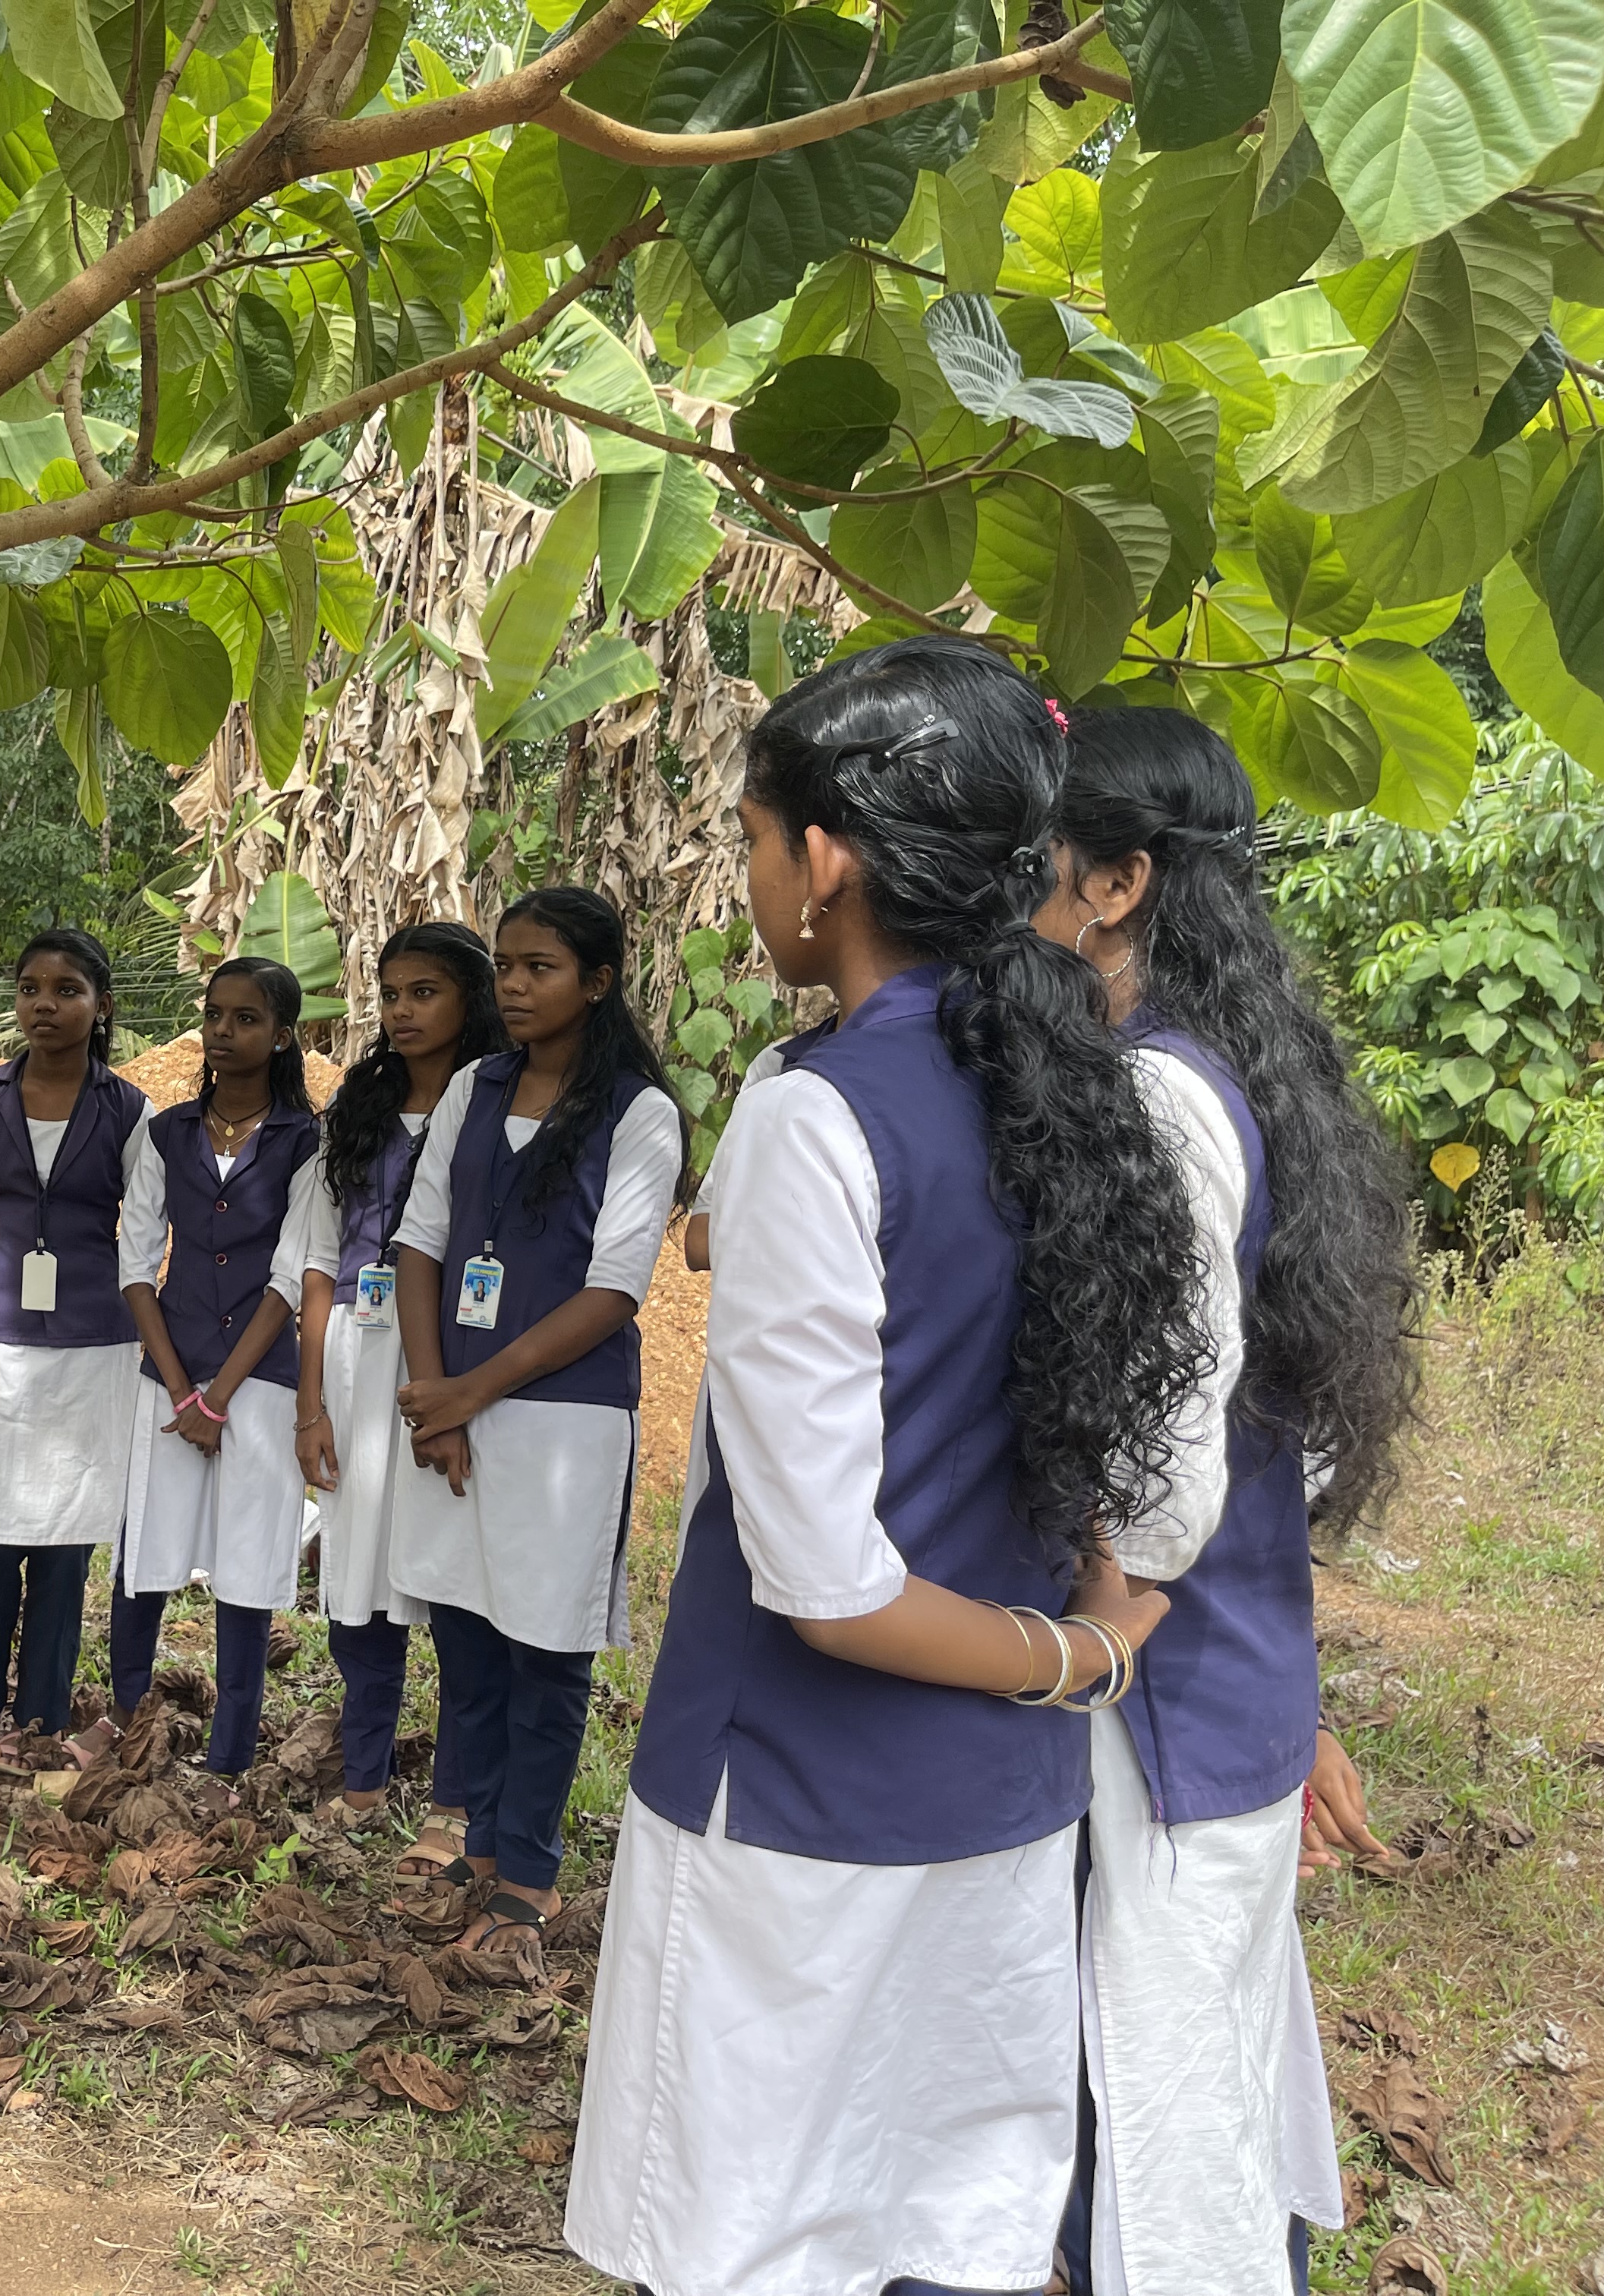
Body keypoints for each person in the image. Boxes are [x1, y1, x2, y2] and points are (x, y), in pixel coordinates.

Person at [568, 636, 1208, 2296]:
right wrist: (1084, 1634)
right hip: (996, 1822)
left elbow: (827, 1585)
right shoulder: (1079, 1099)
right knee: (950, 2237)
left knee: (756, 2242)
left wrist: (1076, 1658)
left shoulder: (814, 1112)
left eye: (754, 840)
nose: (752, 879)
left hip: (796, 1816)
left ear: (826, 861)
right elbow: (1093, 1435)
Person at [1035, 708, 1416, 2296]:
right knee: (1195, 2081)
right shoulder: (1219, 1069)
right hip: (1233, 1671)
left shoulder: (1152, 1095)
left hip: (1161, 1691)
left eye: (1032, 853)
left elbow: (1171, 1455)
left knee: (1157, 2105)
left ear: (1115, 883)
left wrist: (1092, 1627)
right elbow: (1278, 1435)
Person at [386, 888, 685, 1970]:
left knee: (545, 1652)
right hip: (454, 1406)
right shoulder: (474, 1088)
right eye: (505, 966)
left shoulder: (639, 1114)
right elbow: (420, 1242)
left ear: (597, 983)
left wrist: (472, 1391)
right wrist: (433, 1391)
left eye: (539, 968)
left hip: (563, 1423)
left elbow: (614, 1291)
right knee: (466, 1639)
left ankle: (529, 1876)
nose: (512, 986)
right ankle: (474, 1841)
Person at [281, 922, 507, 1861]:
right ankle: (365, 1777)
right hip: (355, 1358)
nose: (403, 1011)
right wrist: (310, 1404)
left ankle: (454, 1801)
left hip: (447, 1364)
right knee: (357, 1579)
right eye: (392, 993)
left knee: (448, 1584)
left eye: (426, 992)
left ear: (471, 1000)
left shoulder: (497, 1104)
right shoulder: (357, 1108)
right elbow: (317, 1257)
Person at [0, 929, 157, 1761]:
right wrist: (8, 1268)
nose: (45, 1005)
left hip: (92, 1346)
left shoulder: (132, 1112)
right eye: (30, 989)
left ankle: (42, 1716)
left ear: (101, 1007)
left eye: (67, 990)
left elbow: (143, 1228)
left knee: (65, 1534)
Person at [115, 957, 320, 1804]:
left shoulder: (306, 1142)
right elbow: (136, 1266)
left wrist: (220, 1396)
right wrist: (179, 1390)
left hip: (260, 1381)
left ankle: (229, 1758)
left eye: (247, 1019)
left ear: (283, 1036)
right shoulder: (166, 1134)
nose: (224, 1033)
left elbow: (292, 1276)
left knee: (247, 1558)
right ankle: (129, 1720)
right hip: (168, 1371)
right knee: (144, 1548)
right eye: (214, 1016)